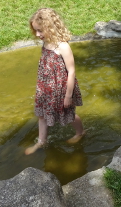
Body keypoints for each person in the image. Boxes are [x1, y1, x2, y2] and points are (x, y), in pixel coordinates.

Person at [25, 8, 85, 155]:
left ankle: (80, 133)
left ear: (50, 27)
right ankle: (41, 141)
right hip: (45, 88)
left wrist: (68, 96)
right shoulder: (46, 43)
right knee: (42, 115)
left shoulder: (62, 46)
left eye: (40, 30)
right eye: (35, 31)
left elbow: (71, 72)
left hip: (61, 90)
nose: (38, 34)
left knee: (68, 115)